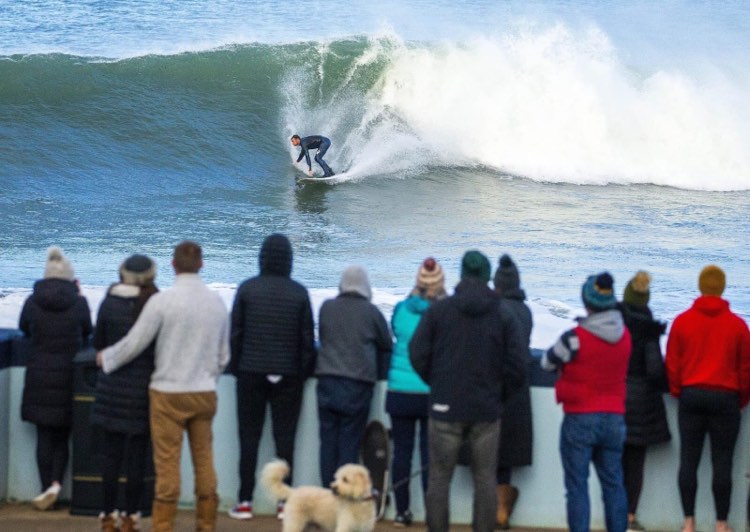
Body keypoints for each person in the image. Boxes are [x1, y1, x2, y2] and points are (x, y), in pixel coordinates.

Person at [97, 241, 230, 532]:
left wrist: (106, 358)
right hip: (204, 391)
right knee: (204, 460)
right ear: (202, 265)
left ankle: (163, 526)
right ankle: (206, 524)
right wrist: (208, 377)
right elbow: (223, 357)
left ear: (173, 265)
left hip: (167, 393)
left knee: (167, 465)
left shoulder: (163, 301)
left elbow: (135, 344)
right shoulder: (217, 302)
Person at [409, 250, 527, 532]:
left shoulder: (439, 311)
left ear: (461, 274)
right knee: (485, 479)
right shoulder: (503, 314)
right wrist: (499, 394)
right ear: (488, 277)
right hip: (486, 409)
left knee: (439, 479)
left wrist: (437, 385)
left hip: (444, 406)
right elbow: (519, 366)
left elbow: (417, 353)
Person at [228, 233, 317, 521]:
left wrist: (239, 368)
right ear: (289, 261)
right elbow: (307, 342)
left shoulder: (247, 289)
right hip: (289, 375)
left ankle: (244, 501)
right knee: (285, 439)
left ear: (262, 258)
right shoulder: (299, 293)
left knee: (249, 438)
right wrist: (301, 374)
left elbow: (236, 336)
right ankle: (283, 503)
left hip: (251, 372)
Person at [541, 272, 631, 532]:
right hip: (614, 418)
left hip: (580, 417)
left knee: (577, 486)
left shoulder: (574, 338)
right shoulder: (625, 337)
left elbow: (546, 363)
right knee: (614, 484)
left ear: (586, 301)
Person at [665, 265, 750, 532]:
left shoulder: (682, 321)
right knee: (722, 462)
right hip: (726, 399)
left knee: (688, 460)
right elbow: (746, 370)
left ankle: (689, 522)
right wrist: (741, 399)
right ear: (722, 288)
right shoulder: (738, 326)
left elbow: (672, 365)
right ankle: (721, 524)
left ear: (701, 287)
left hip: (691, 396)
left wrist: (679, 391)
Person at [19, 246, 93, 511]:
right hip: (67, 376)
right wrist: (80, 295)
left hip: (38, 372)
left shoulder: (32, 301)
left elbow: (23, 328)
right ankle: (55, 487)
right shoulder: (78, 302)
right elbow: (88, 331)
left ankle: (44, 491)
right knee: (62, 437)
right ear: (70, 278)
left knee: (44, 436)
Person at [92, 254, 158, 532]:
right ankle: (131, 517)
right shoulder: (154, 304)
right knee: (136, 460)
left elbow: (99, 343)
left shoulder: (109, 302)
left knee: (111, 458)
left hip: (111, 389)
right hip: (142, 391)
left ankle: (107, 515)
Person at [316, 264, 392, 486]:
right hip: (358, 384)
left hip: (327, 381)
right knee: (350, 443)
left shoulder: (327, 307)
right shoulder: (372, 312)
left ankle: (327, 496)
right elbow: (386, 344)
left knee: (327, 442)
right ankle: (344, 498)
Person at [386, 257, 447, 527]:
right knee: (428, 457)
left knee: (401, 453)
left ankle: (401, 512)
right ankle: (431, 515)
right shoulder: (444, 313)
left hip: (399, 391)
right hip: (430, 391)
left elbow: (396, 334)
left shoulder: (400, 309)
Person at [617, 271, 670, 532]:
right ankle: (628, 517)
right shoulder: (649, 329)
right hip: (641, 405)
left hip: (614, 398)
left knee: (614, 460)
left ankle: (612, 513)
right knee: (635, 463)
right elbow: (655, 369)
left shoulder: (613, 322)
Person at [492, 254, 533, 529]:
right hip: (518, 392)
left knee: (487, 452)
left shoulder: (495, 310)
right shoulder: (526, 312)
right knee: (506, 453)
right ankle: (502, 509)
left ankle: (490, 510)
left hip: (493, 388)